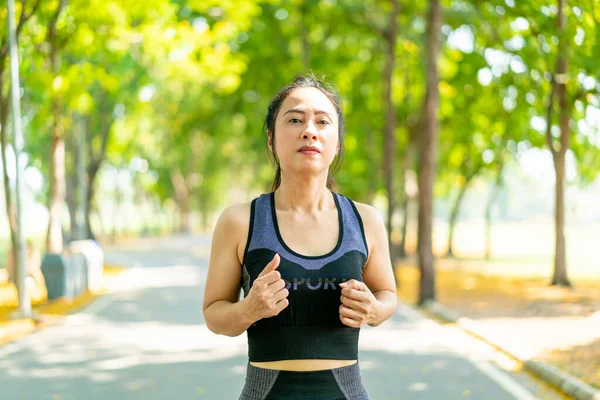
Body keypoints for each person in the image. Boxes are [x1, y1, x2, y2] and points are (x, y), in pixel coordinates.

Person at [202, 75, 398, 400]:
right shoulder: (239, 221)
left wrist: (375, 311)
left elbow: (387, 293)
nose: (309, 130)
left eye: (322, 121)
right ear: (271, 138)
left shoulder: (365, 220)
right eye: (294, 119)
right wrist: (249, 309)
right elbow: (214, 315)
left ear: (336, 143)